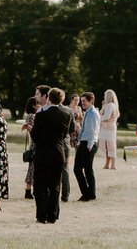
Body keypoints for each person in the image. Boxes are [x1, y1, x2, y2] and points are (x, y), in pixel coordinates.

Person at [30, 85, 71, 224]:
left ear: (48, 98)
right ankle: (53, 216)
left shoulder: (41, 115)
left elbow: (35, 136)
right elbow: (65, 134)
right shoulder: (66, 115)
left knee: (40, 186)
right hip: (58, 153)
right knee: (55, 186)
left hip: (42, 154)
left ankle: (41, 216)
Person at [73, 92, 100, 201]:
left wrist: (89, 145)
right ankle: (89, 193)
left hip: (88, 144)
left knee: (82, 169)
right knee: (84, 169)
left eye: (84, 101)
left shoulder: (93, 113)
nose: (82, 103)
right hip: (84, 143)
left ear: (91, 102)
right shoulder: (88, 112)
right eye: (82, 101)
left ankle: (88, 194)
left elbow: (93, 131)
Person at [100, 89, 120, 170]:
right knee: (107, 146)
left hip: (108, 128)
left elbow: (106, 117)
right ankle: (107, 164)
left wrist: (99, 117)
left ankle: (113, 165)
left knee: (111, 146)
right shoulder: (110, 105)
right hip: (108, 128)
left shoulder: (110, 105)